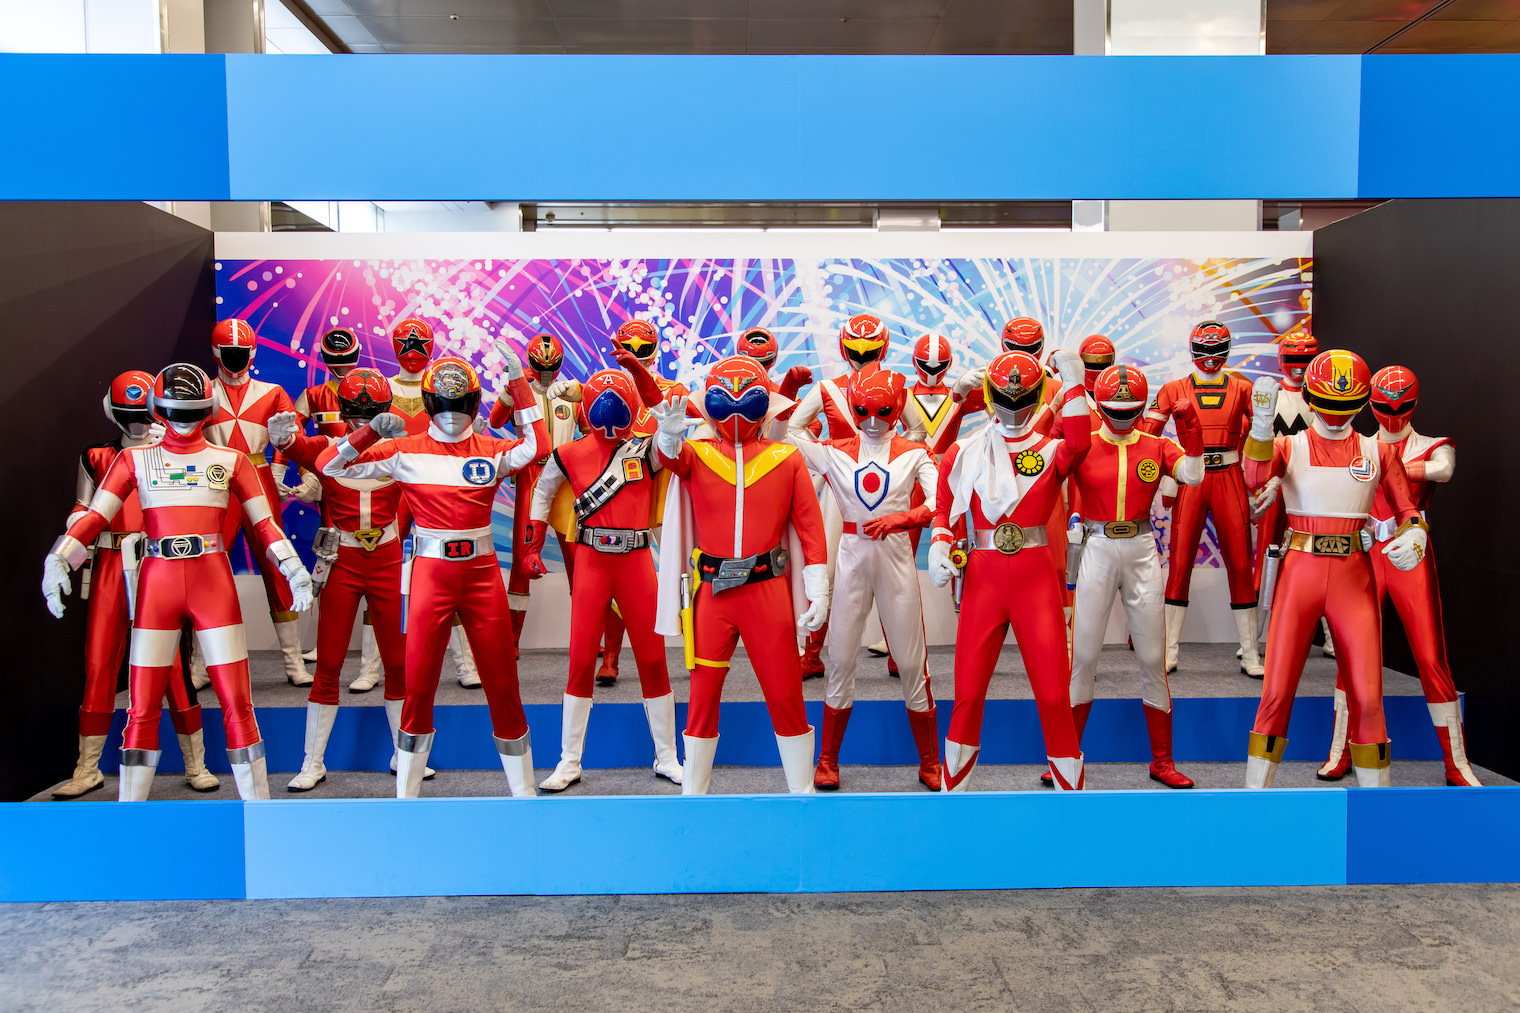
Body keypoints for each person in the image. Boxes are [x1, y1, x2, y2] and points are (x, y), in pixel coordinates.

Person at [43, 363, 314, 800]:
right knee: (143, 705)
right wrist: (60, 558)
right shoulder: (133, 460)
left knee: (235, 701)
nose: (183, 419)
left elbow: (266, 525)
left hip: (207, 582)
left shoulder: (231, 461)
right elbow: (94, 516)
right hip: (160, 583)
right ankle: (132, 815)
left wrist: (293, 568)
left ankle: (259, 810)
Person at [318, 349, 547, 797]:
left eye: (460, 403)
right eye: (443, 403)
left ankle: (524, 797)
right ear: (428, 403)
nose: (451, 413)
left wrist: (520, 384)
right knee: (418, 688)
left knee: (503, 686)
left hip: (481, 576)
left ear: (474, 403)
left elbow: (537, 446)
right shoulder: (404, 450)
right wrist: (368, 432)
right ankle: (407, 800)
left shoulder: (492, 450)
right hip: (430, 577)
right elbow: (330, 466)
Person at [1242, 350, 1428, 788]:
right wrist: (1261, 428)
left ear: (1362, 402)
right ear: (1310, 398)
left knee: (1368, 696)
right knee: (1276, 691)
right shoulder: (1289, 446)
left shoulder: (1379, 450)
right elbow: (1254, 478)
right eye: (1327, 403)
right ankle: (1254, 800)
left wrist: (1416, 534)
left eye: (1346, 404)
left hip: (1352, 574)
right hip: (1301, 572)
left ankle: (1376, 806)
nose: (1335, 413)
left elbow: (1408, 510)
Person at [652, 355, 831, 794]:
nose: (735, 412)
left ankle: (802, 792)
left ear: (764, 404)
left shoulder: (786, 459)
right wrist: (668, 435)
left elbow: (810, 527)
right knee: (702, 697)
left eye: (747, 401)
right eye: (723, 400)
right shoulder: (697, 455)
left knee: (786, 693)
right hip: (712, 595)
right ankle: (694, 793)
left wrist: (818, 587)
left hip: (766, 592)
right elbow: (669, 457)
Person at [50, 370, 219, 799]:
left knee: (174, 667)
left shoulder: (170, 452)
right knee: (99, 662)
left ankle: (195, 762)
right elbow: (84, 507)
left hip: (158, 559)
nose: (138, 424)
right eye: (129, 415)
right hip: (109, 560)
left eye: (143, 414)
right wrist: (69, 541)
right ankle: (87, 767)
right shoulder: (97, 457)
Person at [928, 347, 1091, 791]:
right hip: (984, 575)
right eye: (1004, 397)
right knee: (967, 694)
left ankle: (1070, 801)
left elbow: (1080, 443)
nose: (1012, 406)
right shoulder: (966, 451)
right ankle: (954, 797)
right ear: (989, 394)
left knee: (1054, 694)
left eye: (1022, 398)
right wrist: (939, 543)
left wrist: (1075, 382)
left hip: (1035, 577)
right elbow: (943, 503)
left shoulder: (1052, 450)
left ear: (1037, 396)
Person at [1316, 365, 1480, 787]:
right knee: (1350, 657)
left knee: (1431, 657)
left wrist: (1389, 466)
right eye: (1384, 406)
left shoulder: (1428, 445)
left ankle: (1456, 762)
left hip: (1411, 551)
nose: (1392, 414)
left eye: (1401, 406)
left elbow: (1444, 469)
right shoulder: (1359, 445)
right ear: (1369, 403)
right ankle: (1340, 753)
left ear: (1414, 403)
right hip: (1367, 551)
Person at [522, 367, 682, 792]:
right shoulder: (569, 453)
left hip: (634, 560)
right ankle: (569, 761)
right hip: (593, 561)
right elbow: (543, 491)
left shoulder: (644, 449)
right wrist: (533, 543)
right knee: (580, 661)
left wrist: (668, 425)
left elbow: (668, 449)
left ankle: (667, 756)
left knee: (653, 658)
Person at [787, 365, 942, 791]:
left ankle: (930, 760)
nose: (873, 422)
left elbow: (940, 501)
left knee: (911, 662)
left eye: (883, 412)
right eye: (863, 411)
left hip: (894, 560)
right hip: (852, 559)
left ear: (898, 408)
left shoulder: (914, 453)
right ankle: (827, 759)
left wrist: (903, 518)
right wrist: (787, 389)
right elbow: (786, 434)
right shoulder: (833, 452)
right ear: (852, 408)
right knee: (840, 659)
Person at [269, 368, 422, 792]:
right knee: (330, 663)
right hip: (343, 560)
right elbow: (303, 450)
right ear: (343, 410)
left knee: (398, 663)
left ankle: (404, 755)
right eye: (356, 411)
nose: (363, 419)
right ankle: (313, 762)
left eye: (371, 412)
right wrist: (284, 441)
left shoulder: (401, 447)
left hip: (388, 558)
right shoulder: (328, 446)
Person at [1066, 365, 1204, 789]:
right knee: (1083, 657)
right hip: (1097, 545)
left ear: (1142, 408)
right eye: (1114, 409)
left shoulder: (1157, 445)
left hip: (1141, 549)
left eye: (1130, 410)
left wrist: (1192, 432)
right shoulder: (1084, 444)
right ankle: (1066, 759)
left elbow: (1194, 475)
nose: (1122, 416)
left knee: (1151, 659)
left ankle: (1163, 761)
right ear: (1100, 407)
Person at [1139, 321, 1262, 677]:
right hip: (1191, 476)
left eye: (1216, 350)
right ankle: (1169, 650)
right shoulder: (1172, 389)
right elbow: (1149, 439)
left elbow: (1262, 438)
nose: (1210, 357)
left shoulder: (1244, 389)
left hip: (1229, 475)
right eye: (1204, 350)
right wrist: (1162, 478)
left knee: (1240, 562)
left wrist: (1262, 476)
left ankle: (1250, 651)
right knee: (1179, 563)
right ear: (1193, 350)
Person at [366, 316, 479, 690]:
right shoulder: (380, 388)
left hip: (439, 486)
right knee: (381, 576)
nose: (413, 351)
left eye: (420, 344)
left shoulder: (446, 383)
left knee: (452, 569)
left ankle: (465, 663)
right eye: (406, 343)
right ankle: (372, 666)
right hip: (390, 487)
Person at [203, 319, 310, 686]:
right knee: (208, 569)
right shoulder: (205, 391)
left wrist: (291, 470)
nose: (236, 359)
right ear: (217, 353)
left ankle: (293, 662)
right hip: (217, 480)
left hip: (257, 476)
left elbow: (290, 436)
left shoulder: (272, 392)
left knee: (277, 566)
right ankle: (201, 663)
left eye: (241, 352)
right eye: (229, 352)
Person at [786, 313, 892, 679]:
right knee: (830, 569)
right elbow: (793, 428)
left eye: (868, 351)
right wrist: (826, 458)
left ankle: (896, 653)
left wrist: (896, 459)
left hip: (877, 488)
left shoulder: (892, 386)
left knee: (892, 571)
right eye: (857, 350)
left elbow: (917, 432)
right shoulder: (828, 389)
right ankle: (813, 653)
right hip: (843, 490)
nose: (862, 357)